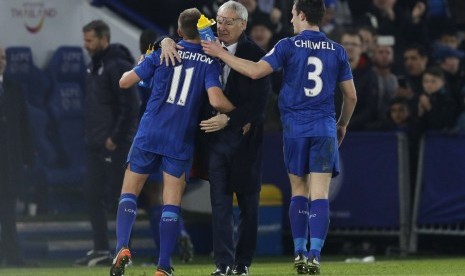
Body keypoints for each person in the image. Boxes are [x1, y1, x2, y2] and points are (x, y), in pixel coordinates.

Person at [201, 0, 357, 274]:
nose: (291, 21)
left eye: (294, 15)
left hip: (296, 128)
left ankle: (298, 251)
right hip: (324, 128)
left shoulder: (287, 45)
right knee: (319, 195)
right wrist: (342, 124)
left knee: (298, 190)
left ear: (302, 15)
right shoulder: (337, 51)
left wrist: (220, 54)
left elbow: (255, 70)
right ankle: (315, 255)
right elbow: (351, 96)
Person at [109, 8, 235, 276]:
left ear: (178, 32)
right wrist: (237, 111)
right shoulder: (210, 60)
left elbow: (124, 81)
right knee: (171, 203)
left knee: (129, 193)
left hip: (149, 132)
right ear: (204, 30)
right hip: (180, 137)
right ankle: (163, 265)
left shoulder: (163, 52)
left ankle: (122, 246)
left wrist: (149, 57)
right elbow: (214, 99)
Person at [161, 2, 270, 275]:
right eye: (219, 20)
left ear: (243, 25)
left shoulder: (255, 54)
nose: (221, 26)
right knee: (220, 205)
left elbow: (260, 104)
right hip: (215, 141)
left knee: (248, 207)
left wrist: (230, 119)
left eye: (229, 22)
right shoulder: (206, 46)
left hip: (245, 143)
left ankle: (242, 265)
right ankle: (223, 265)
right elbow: (181, 33)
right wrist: (164, 41)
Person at [75, 20, 140, 266]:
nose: (86, 45)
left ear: (104, 39)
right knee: (92, 194)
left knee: (118, 197)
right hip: (95, 143)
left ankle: (124, 251)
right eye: (85, 40)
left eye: (90, 40)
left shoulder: (117, 66)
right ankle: (101, 248)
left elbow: (131, 106)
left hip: (115, 144)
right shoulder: (94, 66)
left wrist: (116, 137)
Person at [137, 28, 194, 264]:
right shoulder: (180, 64)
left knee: (152, 196)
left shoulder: (150, 65)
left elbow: (139, 95)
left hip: (152, 136)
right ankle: (179, 232)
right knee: (170, 195)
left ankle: (165, 252)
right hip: (179, 135)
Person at [0, 46, 35, 267]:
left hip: (8, 162)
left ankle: (13, 256)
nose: (1, 61)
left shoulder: (14, 89)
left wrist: (28, 157)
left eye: (2, 57)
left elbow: (25, 125)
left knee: (8, 214)